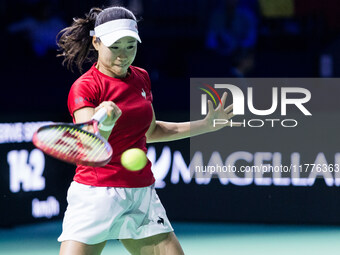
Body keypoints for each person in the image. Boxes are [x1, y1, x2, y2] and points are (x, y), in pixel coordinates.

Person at [56, 6, 234, 255]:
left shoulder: (141, 78)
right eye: (115, 47)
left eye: (130, 46)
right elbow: (89, 146)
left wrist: (206, 124)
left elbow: (151, 131)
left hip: (141, 194)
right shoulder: (85, 87)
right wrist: (103, 121)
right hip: (96, 195)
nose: (123, 55)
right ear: (96, 42)